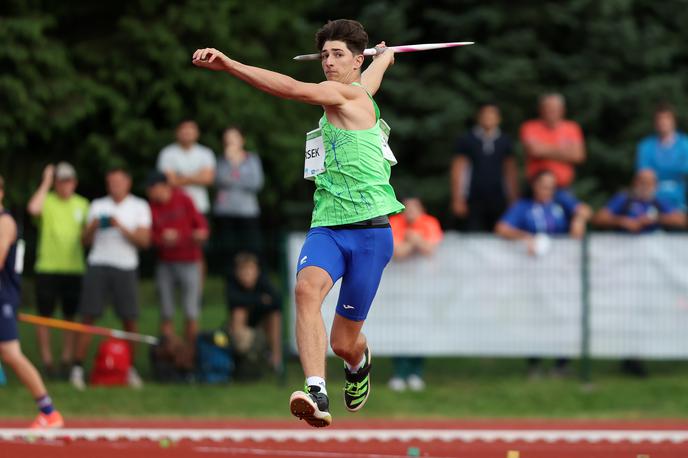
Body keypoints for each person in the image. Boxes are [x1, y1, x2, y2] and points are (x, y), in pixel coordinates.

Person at [193, 18, 404, 427]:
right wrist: (387, 59)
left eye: (337, 54)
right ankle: (316, 392)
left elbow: (289, 87)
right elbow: (372, 78)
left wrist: (232, 65)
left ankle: (358, 361)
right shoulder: (358, 89)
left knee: (344, 343)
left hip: (370, 233)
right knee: (306, 289)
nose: (327, 61)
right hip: (327, 226)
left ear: (356, 60)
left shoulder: (345, 95)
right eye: (324, 54)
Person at [495, 170, 591, 378]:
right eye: (543, 186)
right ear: (534, 186)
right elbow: (502, 228)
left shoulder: (560, 204)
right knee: (535, 314)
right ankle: (534, 363)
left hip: (561, 273)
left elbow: (584, 212)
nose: (547, 191)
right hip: (534, 273)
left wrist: (578, 221)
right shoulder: (524, 206)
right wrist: (526, 237)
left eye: (551, 186)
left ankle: (562, 363)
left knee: (562, 313)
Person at [69, 168, 151, 390]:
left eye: (118, 182)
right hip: (98, 265)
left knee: (129, 320)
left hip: (126, 266)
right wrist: (94, 226)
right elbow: (84, 241)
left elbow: (144, 241)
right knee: (88, 318)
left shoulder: (139, 206)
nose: (114, 186)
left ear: (128, 183)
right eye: (110, 182)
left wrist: (120, 226)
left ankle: (130, 368)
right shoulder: (97, 205)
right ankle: (77, 369)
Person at [0, 174, 64, 428]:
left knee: (10, 353)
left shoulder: (4, 222)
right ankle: (48, 411)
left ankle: (49, 411)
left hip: (2, 297)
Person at [27, 163, 89, 378]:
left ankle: (66, 359)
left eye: (69, 181)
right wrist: (45, 182)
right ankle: (47, 362)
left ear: (75, 182)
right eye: (61, 181)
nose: (65, 186)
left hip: (73, 268)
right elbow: (33, 209)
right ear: (56, 183)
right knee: (44, 316)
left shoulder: (83, 204)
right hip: (48, 267)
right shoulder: (48, 201)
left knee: (70, 316)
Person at [387, 196, 443, 392]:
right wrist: (415, 241)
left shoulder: (430, 223)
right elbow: (397, 252)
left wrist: (413, 239)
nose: (410, 212)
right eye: (407, 208)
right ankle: (399, 373)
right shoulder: (394, 223)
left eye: (414, 208)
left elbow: (431, 249)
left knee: (421, 328)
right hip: (400, 287)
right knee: (400, 328)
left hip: (424, 286)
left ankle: (416, 373)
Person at [147, 170, 209, 344]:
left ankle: (190, 354)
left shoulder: (184, 199)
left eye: (153, 187)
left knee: (191, 311)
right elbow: (149, 236)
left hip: (189, 260)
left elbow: (202, 228)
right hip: (165, 262)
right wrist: (161, 238)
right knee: (166, 311)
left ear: (164, 186)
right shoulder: (151, 207)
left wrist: (183, 235)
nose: (151, 192)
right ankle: (169, 354)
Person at [451, 103, 518, 231]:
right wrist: (458, 199)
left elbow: (510, 171)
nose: (488, 118)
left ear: (498, 119)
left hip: (498, 198)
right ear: (479, 117)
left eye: (492, 115)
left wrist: (513, 198)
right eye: (485, 115)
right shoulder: (467, 140)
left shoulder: (505, 141)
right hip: (473, 198)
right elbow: (458, 169)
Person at [213, 126, 265, 273]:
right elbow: (218, 180)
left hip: (248, 212)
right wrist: (232, 164)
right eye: (228, 138)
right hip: (225, 212)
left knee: (253, 251)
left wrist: (231, 180)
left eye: (234, 137)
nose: (231, 141)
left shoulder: (252, 159)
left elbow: (256, 183)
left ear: (242, 140)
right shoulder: (221, 160)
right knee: (228, 253)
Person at [226, 253, 282, 372]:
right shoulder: (232, 283)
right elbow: (234, 301)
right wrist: (260, 300)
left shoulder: (263, 282)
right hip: (240, 326)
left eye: (250, 270)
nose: (247, 275)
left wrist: (252, 302)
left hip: (261, 324)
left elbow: (277, 301)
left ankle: (276, 358)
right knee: (239, 312)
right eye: (243, 271)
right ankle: (241, 347)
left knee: (274, 315)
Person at [520, 93, 586, 189]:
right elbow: (534, 150)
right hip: (536, 189)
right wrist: (565, 151)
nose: (551, 112)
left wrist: (544, 149)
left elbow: (579, 155)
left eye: (554, 109)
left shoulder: (572, 128)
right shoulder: (530, 127)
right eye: (548, 109)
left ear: (562, 110)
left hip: (563, 187)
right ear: (541, 110)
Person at [593, 169, 686, 234]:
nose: (645, 186)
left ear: (655, 185)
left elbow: (681, 220)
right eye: (642, 182)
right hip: (621, 249)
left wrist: (655, 219)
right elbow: (599, 218)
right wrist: (622, 221)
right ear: (635, 182)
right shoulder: (624, 198)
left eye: (649, 183)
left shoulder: (659, 201)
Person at [157, 120, 217, 215]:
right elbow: (169, 181)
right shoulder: (167, 153)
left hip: (199, 205)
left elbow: (208, 179)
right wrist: (197, 176)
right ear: (177, 133)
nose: (187, 134)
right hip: (175, 208)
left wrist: (180, 176)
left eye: (190, 131)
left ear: (197, 133)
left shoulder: (206, 153)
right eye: (184, 131)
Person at [636, 103, 688, 210]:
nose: (663, 122)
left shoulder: (684, 144)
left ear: (674, 121)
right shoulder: (646, 146)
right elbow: (644, 174)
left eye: (667, 119)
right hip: (651, 198)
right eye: (660, 119)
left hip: (679, 197)